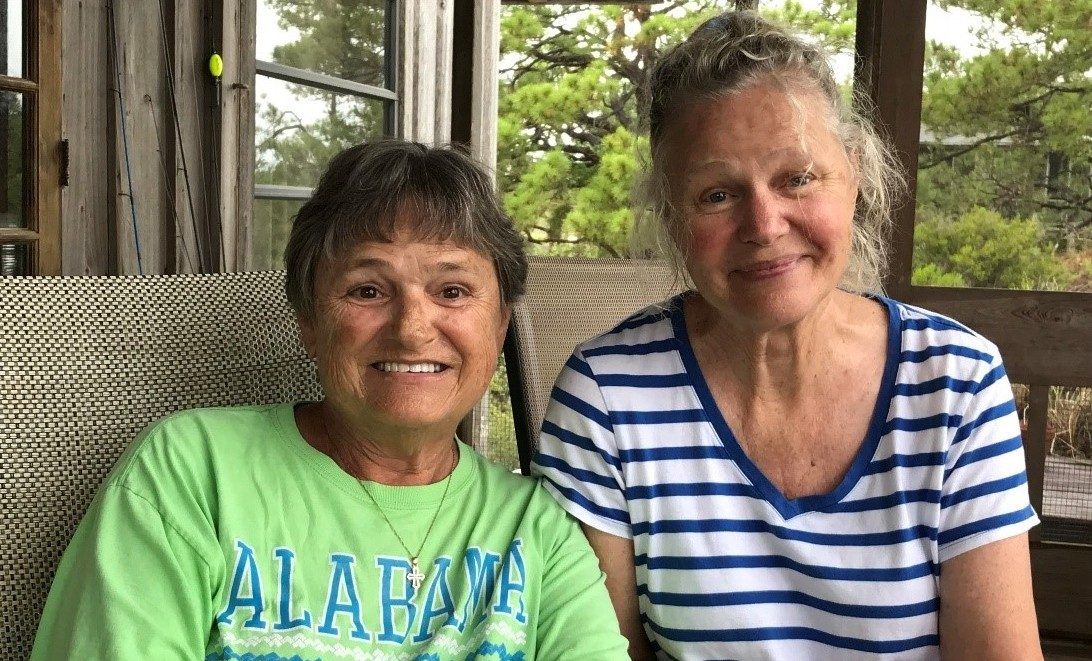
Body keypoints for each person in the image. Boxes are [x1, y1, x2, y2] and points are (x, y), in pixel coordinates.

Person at [532, 11, 1041, 660]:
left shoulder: (955, 383)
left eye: (797, 178)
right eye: (717, 194)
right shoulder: (606, 397)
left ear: (853, 173)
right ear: (669, 210)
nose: (765, 224)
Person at [32, 140, 629, 660]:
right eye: (368, 290)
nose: (413, 328)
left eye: (452, 290)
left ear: (499, 328)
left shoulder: (536, 530)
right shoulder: (194, 472)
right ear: (309, 322)